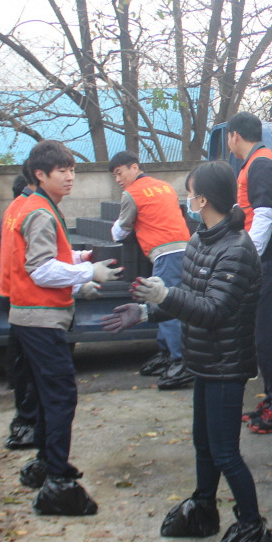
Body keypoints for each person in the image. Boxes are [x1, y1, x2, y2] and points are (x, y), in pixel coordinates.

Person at [101, 161, 272, 542]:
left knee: (226, 452)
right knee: (203, 445)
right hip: (203, 361)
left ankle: (252, 524)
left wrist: (164, 298)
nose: (186, 199)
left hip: (228, 366)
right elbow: (187, 297)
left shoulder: (238, 250)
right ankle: (204, 507)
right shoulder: (199, 241)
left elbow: (213, 310)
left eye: (190, 192)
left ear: (204, 199)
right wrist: (147, 312)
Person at [11, 140, 122, 516]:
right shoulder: (41, 212)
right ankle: (57, 479)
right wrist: (87, 272)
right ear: (41, 175)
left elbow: (47, 257)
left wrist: (78, 263)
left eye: (72, 169)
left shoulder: (35, 206)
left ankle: (47, 462)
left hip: (31, 315)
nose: (71, 177)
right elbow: (40, 268)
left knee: (46, 395)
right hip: (41, 317)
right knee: (61, 396)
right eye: (63, 171)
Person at [227, 113, 272, 434]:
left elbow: (265, 214)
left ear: (233, 136)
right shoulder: (258, 162)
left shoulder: (261, 164)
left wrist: (248, 259)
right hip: (271, 260)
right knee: (263, 336)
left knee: (267, 338)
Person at [109, 152, 192, 389]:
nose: (118, 179)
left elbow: (119, 232)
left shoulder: (131, 194)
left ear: (134, 167)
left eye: (119, 173)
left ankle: (180, 361)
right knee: (169, 301)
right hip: (183, 249)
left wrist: (120, 225)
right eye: (115, 175)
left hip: (165, 253)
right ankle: (167, 352)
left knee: (167, 304)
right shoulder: (164, 187)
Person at [0, 170, 40, 449]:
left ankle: (24, 422)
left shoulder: (14, 207)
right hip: (26, 297)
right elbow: (41, 266)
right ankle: (26, 423)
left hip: (11, 293)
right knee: (32, 368)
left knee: (22, 363)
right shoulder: (32, 209)